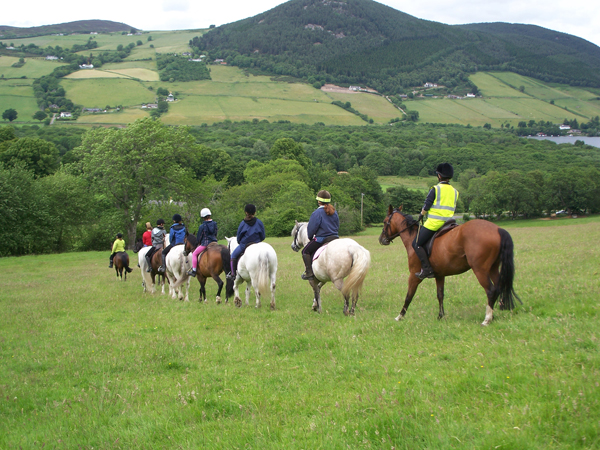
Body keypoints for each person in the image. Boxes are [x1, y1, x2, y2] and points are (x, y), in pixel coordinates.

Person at [413, 163, 459, 280]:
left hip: (435, 223)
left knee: (416, 243)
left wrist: (421, 215)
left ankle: (427, 269)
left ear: (439, 176)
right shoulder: (455, 191)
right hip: (450, 223)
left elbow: (426, 206)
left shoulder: (435, 189)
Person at [301, 190, 340, 280]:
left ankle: (309, 272)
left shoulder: (316, 213)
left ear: (318, 201)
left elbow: (311, 229)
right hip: (335, 238)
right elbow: (337, 226)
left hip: (322, 239)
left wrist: (310, 238)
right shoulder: (334, 212)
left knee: (305, 251)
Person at [226, 204, 265, 280]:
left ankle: (233, 274)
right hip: (257, 244)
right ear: (254, 212)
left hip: (244, 245)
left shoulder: (242, 223)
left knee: (233, 255)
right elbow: (263, 236)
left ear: (246, 212)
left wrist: (242, 243)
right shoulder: (259, 222)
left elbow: (238, 238)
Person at [188, 208, 218, 277]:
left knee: (195, 254)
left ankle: (194, 270)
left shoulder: (202, 226)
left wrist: (198, 243)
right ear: (210, 215)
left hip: (205, 243)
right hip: (214, 242)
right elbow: (215, 233)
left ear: (203, 217)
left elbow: (199, 237)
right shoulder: (214, 224)